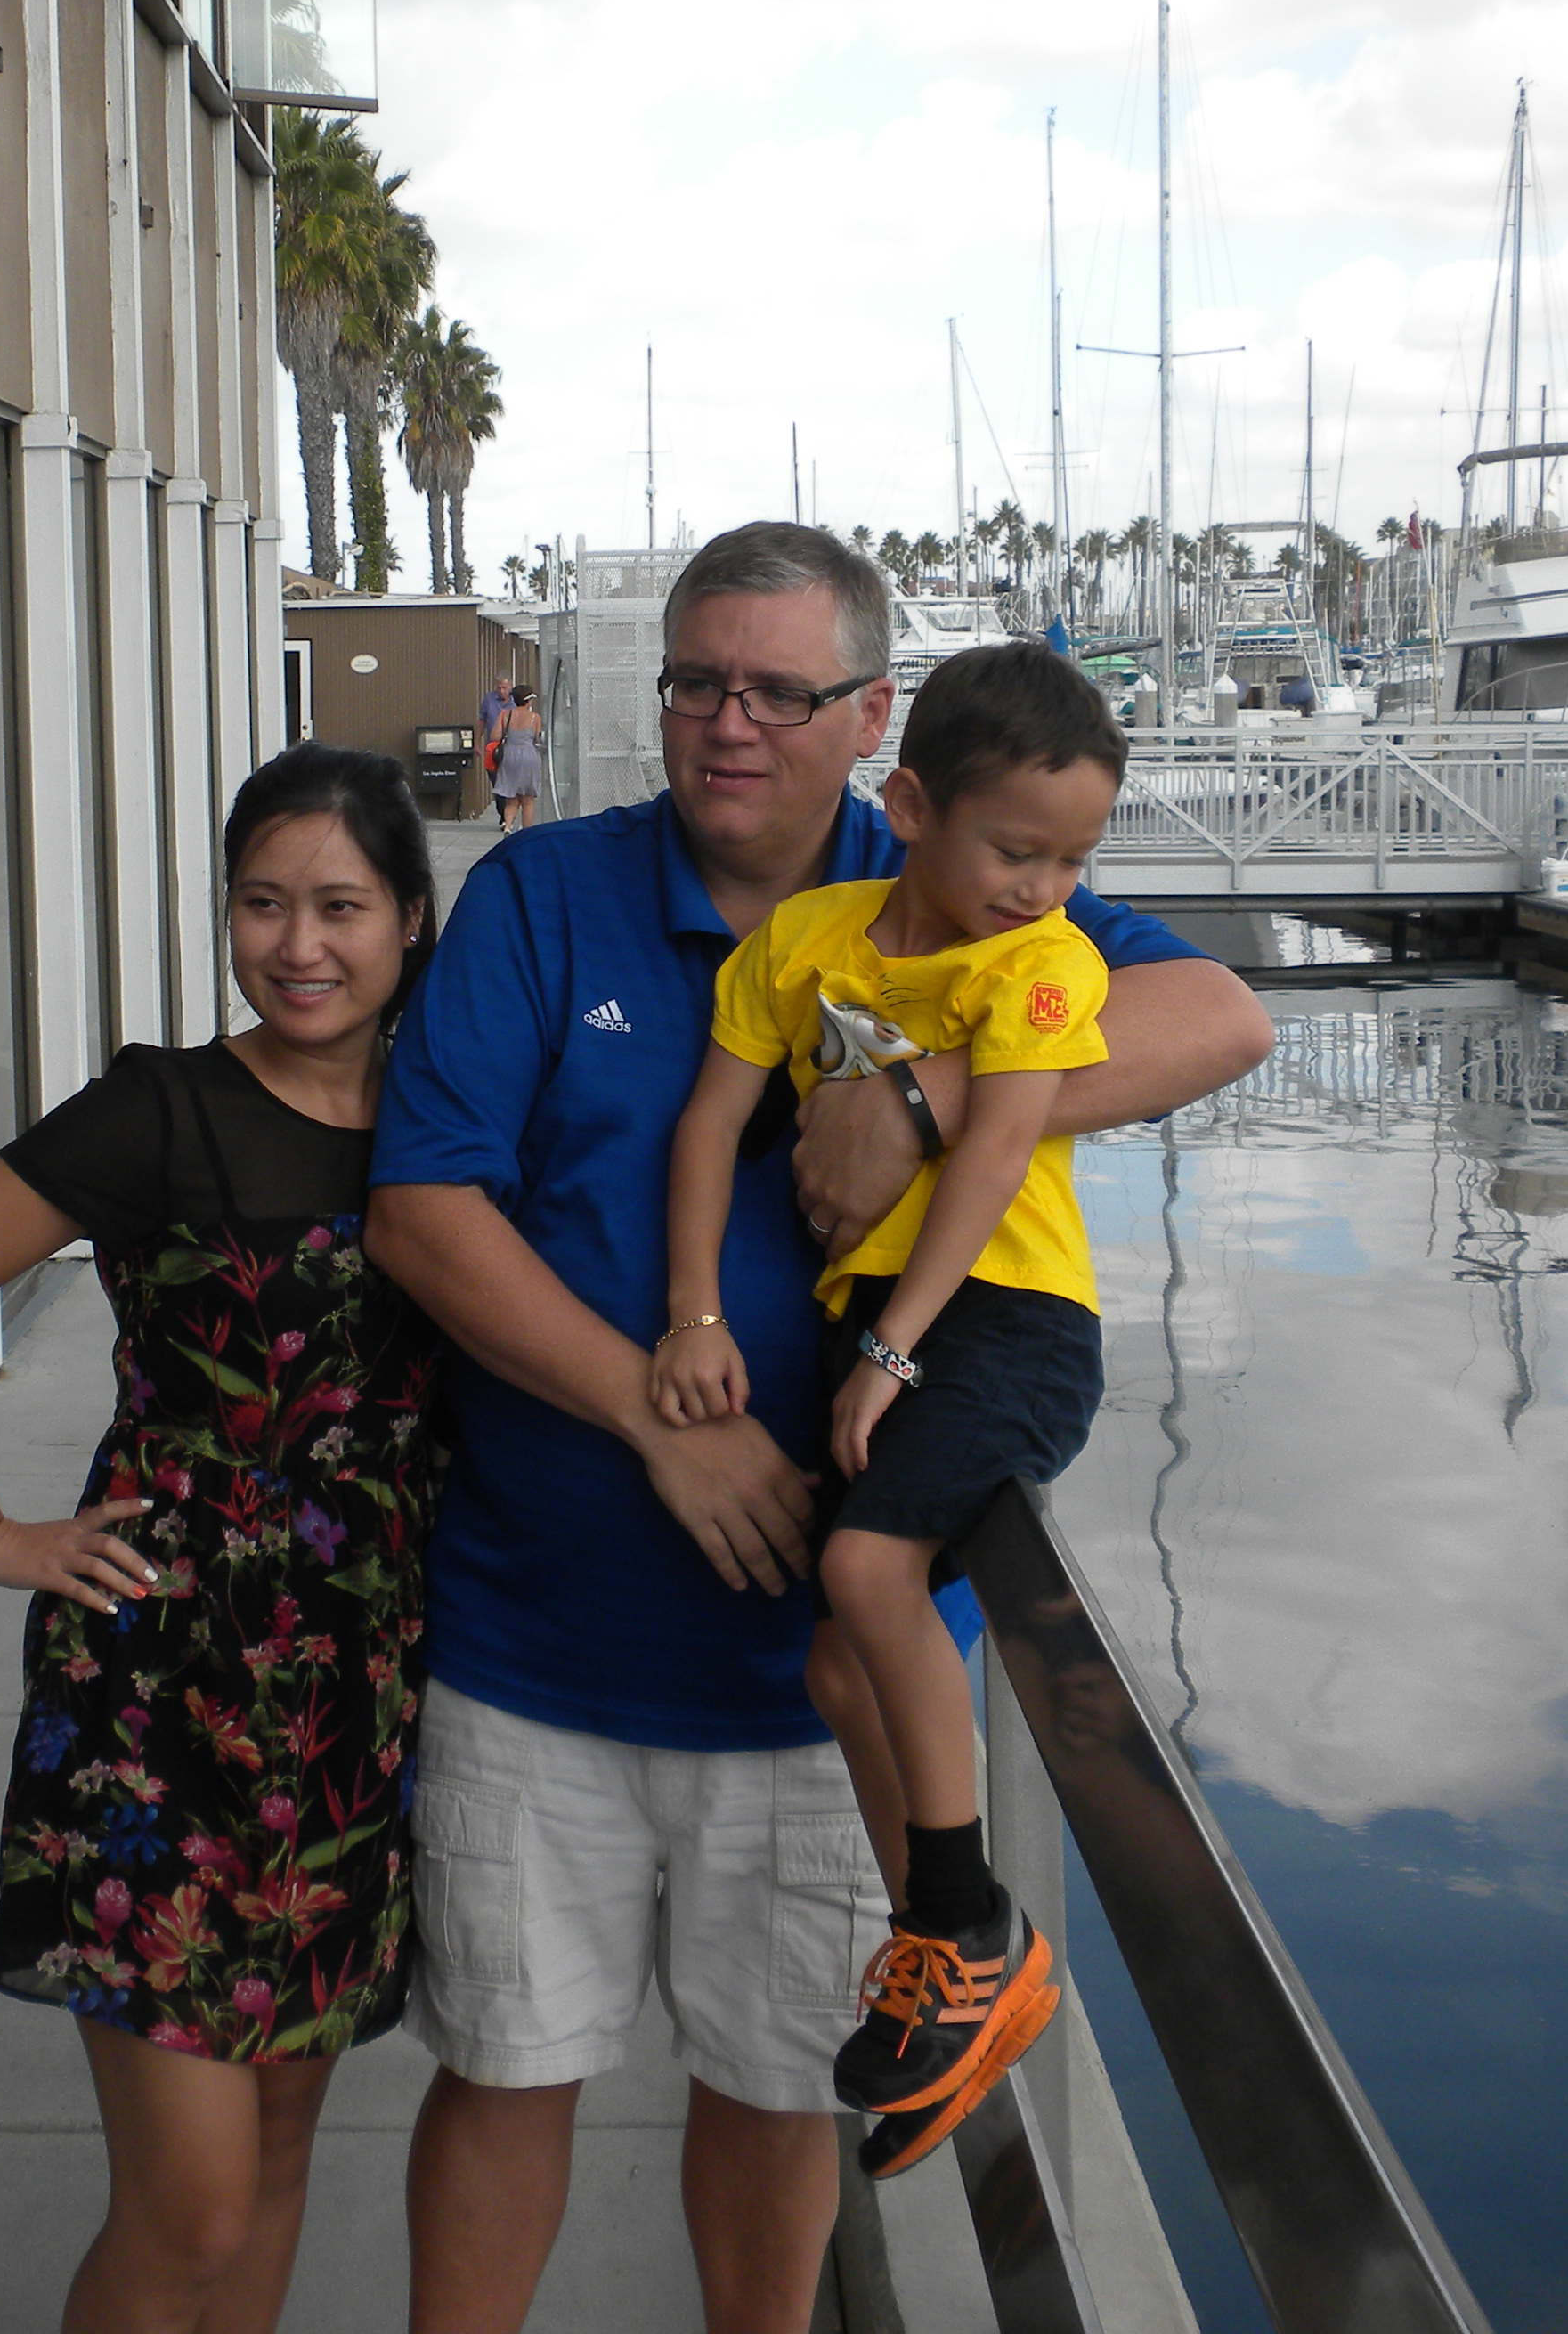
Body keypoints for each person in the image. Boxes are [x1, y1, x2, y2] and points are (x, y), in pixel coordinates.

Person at [364, 523, 1273, 2334]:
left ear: (869, 721)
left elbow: (1219, 1014)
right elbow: (421, 1212)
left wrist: (932, 1094)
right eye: (695, 683)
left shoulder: (965, 876)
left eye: (778, 693)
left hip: (807, 1689)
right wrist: (658, 1416)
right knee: (502, 2070)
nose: (728, 724)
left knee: (775, 2089)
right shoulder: (544, 898)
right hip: (534, 1643)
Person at [0, 744, 448, 2334]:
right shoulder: (161, 1109)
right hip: (158, 1701)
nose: (298, 945)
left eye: (340, 907)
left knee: (283, 2146)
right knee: (191, 2208)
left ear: (409, 917)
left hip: (356, 1703)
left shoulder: (449, 1118)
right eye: (263, 903)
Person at [653, 639, 1129, 2182]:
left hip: (1009, 1320)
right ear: (910, 806)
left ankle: (965, 1932)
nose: (1044, 888)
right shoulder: (804, 944)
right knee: (833, 1664)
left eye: (1073, 860)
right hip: (889, 1324)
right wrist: (693, 1314)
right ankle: (953, 1942)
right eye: (1016, 851)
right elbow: (709, 1127)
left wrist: (895, 1352)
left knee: (867, 1575)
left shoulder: (1043, 967)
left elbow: (990, 1158)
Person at [489, 686, 543, 834]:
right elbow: (537, 739)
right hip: (528, 756)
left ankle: (507, 826)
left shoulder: (505, 715)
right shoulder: (535, 718)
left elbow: (494, 736)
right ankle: (526, 832)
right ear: (528, 701)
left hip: (509, 756)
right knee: (528, 800)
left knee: (511, 798)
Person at [477, 668, 516, 824]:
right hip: (493, 747)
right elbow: (482, 720)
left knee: (510, 782)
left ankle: (507, 818)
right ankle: (502, 812)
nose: (501, 691)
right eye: (499, 688)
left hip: (511, 747)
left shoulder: (516, 701)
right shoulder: (489, 699)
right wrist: (476, 741)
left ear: (510, 686)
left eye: (504, 688)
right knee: (496, 782)